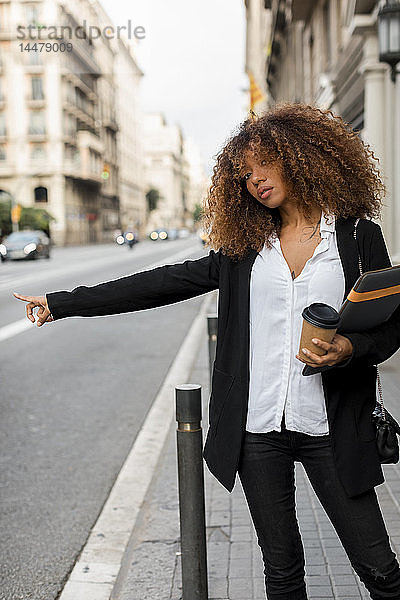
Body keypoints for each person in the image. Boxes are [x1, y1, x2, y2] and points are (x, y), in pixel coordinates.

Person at [14, 102, 400, 599]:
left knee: (380, 569)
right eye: (244, 174)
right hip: (257, 429)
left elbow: (388, 330)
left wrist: (348, 347)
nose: (255, 180)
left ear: (299, 156)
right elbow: (160, 283)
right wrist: (63, 303)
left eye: (265, 163)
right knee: (282, 573)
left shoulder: (355, 236)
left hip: (333, 426)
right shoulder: (246, 249)